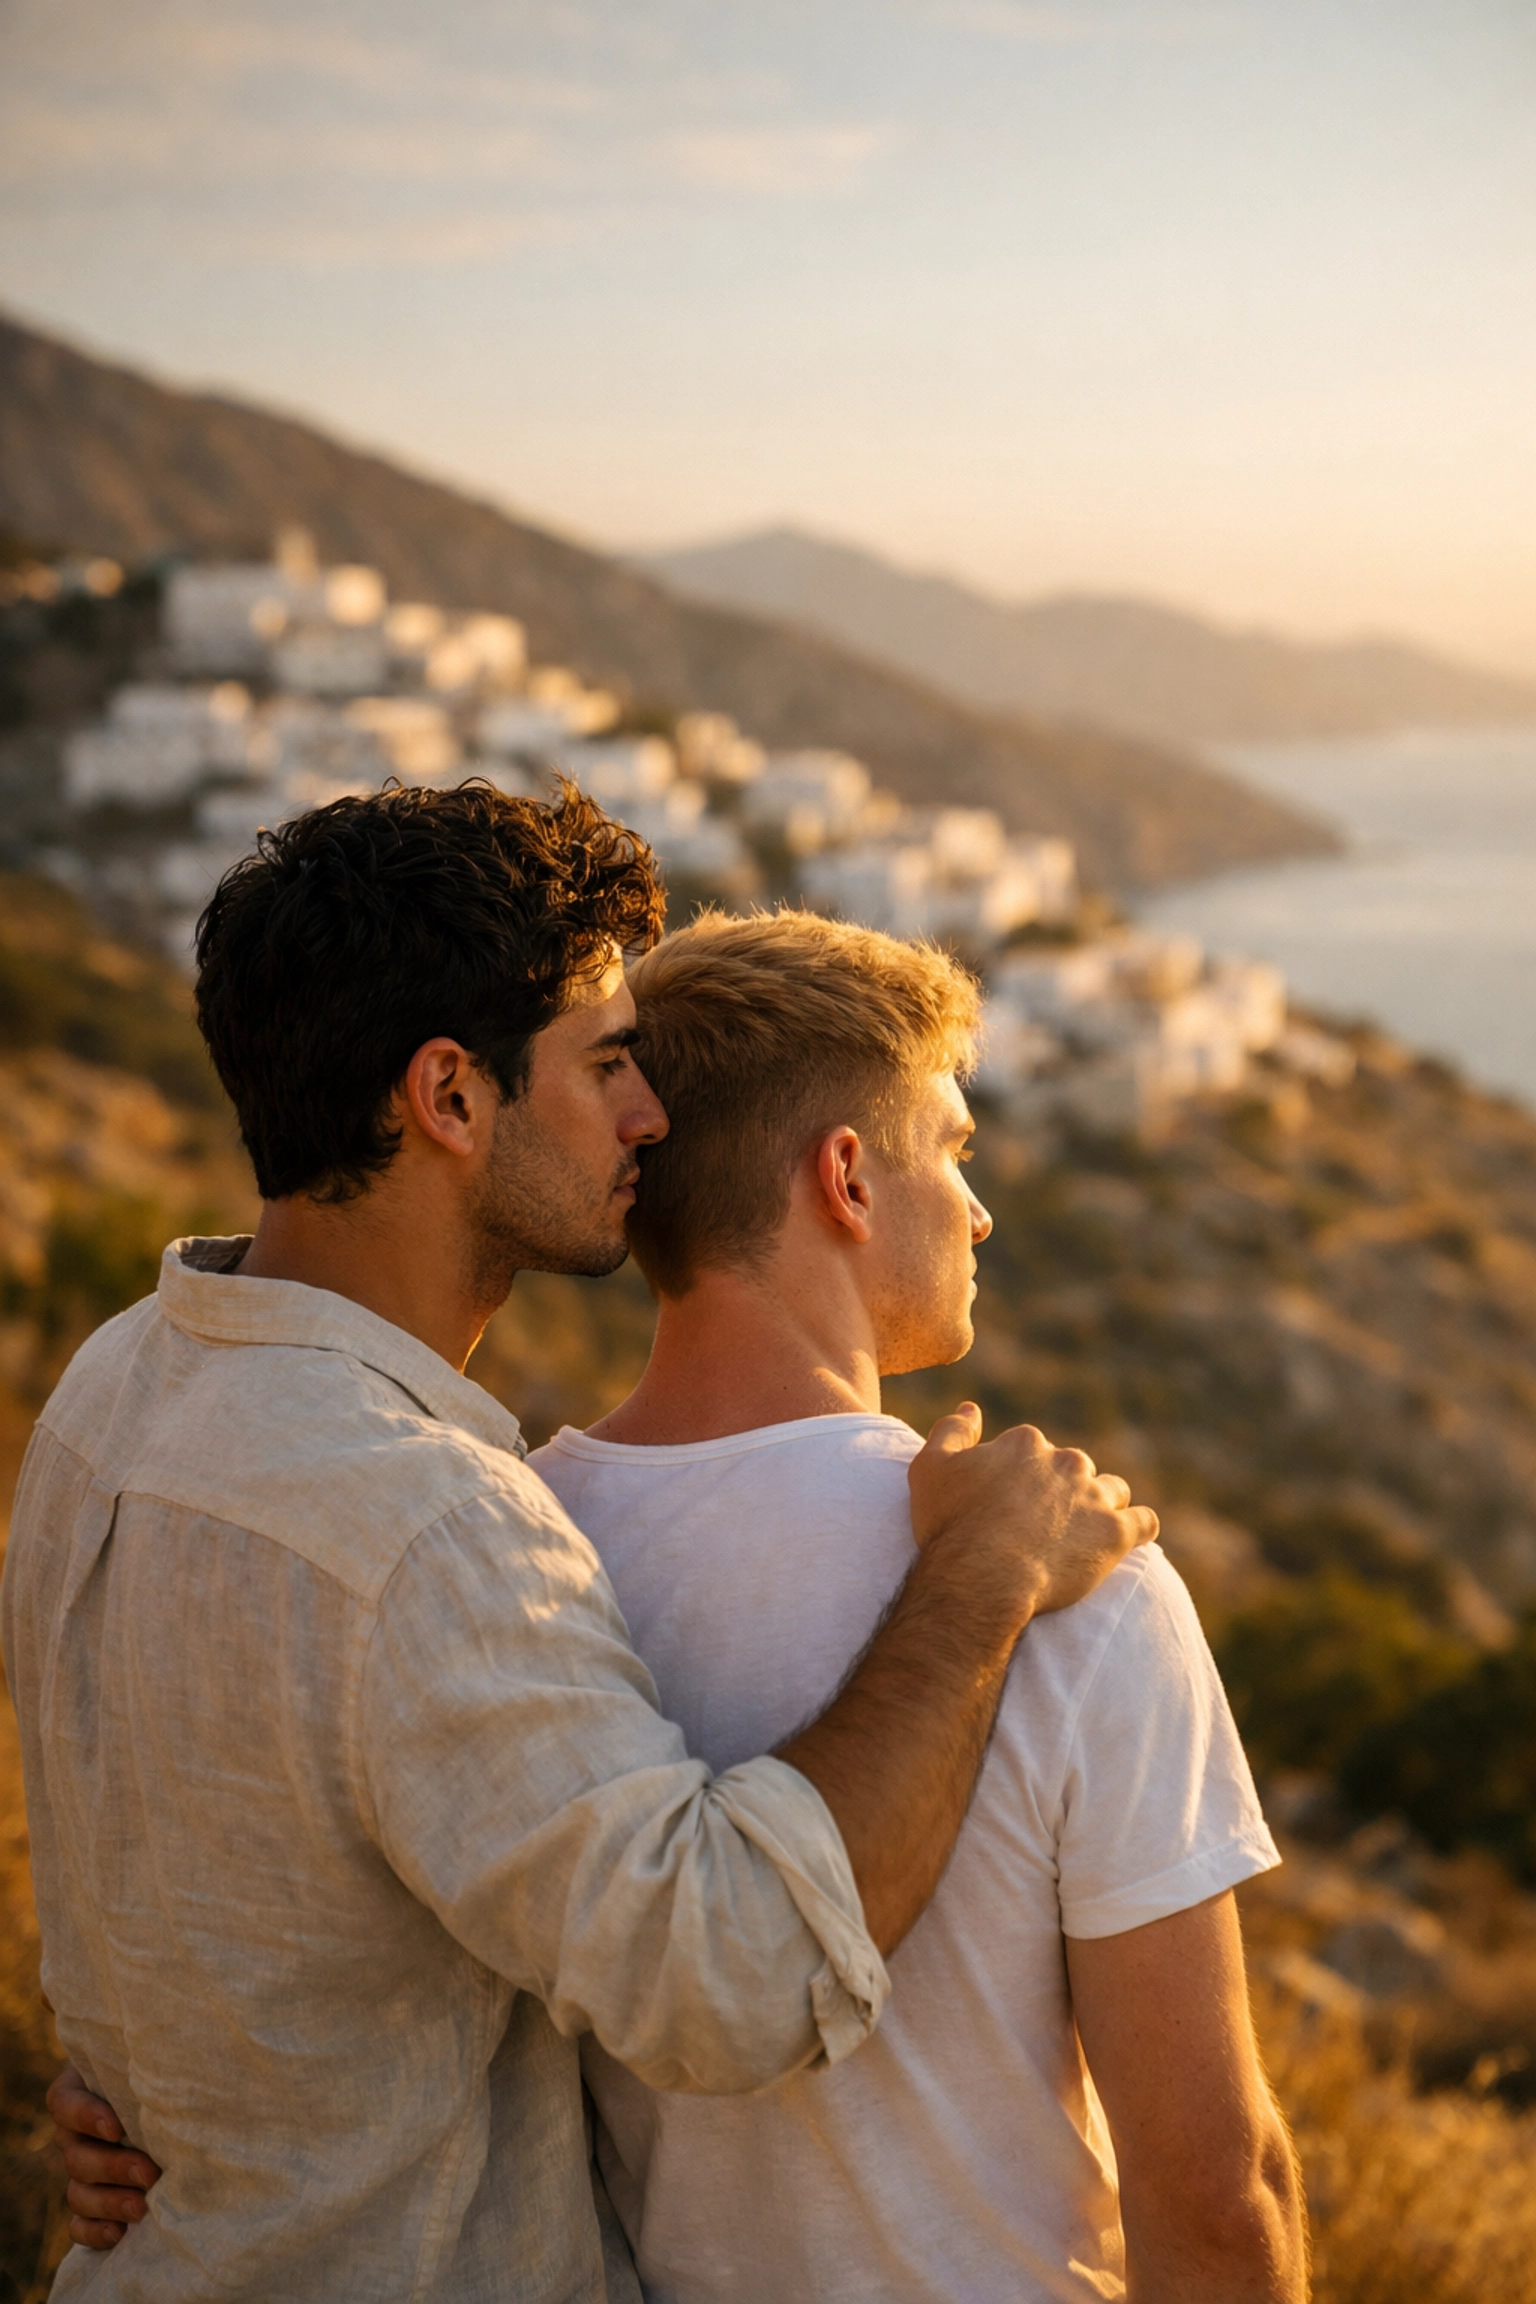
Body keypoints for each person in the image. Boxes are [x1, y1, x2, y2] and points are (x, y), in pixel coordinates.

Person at [8, 784, 1154, 2304]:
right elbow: (736, 1972)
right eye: (607, 1065)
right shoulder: (420, 1523)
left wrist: (157, 2099)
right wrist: (984, 1574)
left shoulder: (115, 1383)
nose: (650, 1116)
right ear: (451, 1098)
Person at [525, 908, 1303, 2303]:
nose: (981, 1205)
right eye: (952, 1149)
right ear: (847, 1180)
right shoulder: (1067, 1575)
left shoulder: (505, 1546)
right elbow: (1216, 2191)